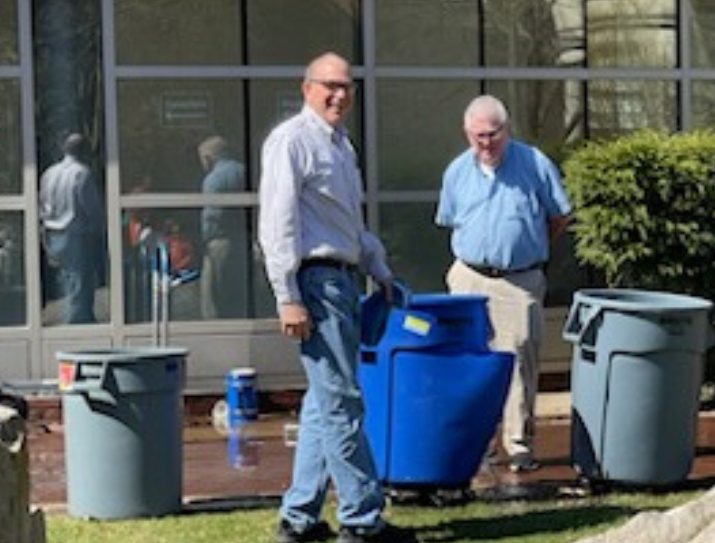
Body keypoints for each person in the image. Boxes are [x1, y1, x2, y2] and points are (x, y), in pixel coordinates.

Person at [258, 52, 417, 543]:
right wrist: (287, 296)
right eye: (329, 85)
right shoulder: (292, 141)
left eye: (346, 87)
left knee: (323, 403)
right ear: (306, 88)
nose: (339, 95)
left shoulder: (342, 146)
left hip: (344, 281)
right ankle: (362, 520)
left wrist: (379, 269)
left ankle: (299, 519)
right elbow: (277, 224)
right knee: (343, 403)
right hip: (316, 285)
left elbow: (350, 225)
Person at [435, 94, 572, 473]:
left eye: (493, 134)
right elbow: (451, 220)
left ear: (507, 130)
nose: (486, 143)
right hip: (468, 276)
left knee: (518, 365)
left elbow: (559, 217)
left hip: (519, 280)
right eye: (478, 136)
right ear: (467, 134)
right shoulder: (457, 172)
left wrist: (530, 246)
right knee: (470, 363)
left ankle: (519, 446)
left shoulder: (534, 164)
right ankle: (478, 445)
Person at [39, 133, 105, 324]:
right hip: (75, 233)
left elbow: (41, 203)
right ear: (84, 150)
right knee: (80, 282)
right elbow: (91, 207)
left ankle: (64, 319)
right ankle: (78, 322)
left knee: (62, 280)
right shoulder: (81, 173)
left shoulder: (49, 173)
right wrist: (99, 230)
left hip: (52, 234)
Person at [198, 135, 248, 319]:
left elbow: (212, 215)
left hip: (219, 242)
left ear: (208, 158)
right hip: (243, 239)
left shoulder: (213, 179)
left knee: (213, 294)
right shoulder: (244, 172)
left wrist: (204, 240)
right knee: (238, 290)